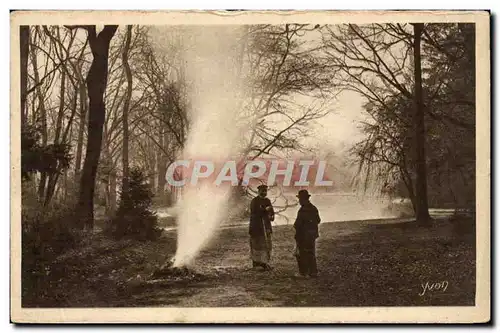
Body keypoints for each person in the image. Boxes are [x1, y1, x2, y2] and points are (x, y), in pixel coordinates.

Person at [294, 189, 321, 278]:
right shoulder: (313, 208)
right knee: (311, 253)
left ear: (302, 199)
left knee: (302, 254)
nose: (299, 201)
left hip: (303, 235)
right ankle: (313, 272)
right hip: (312, 235)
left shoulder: (302, 210)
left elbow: (297, 224)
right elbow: (318, 220)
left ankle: (304, 273)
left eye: (300, 199)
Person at [249, 184, 275, 270]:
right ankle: (256, 263)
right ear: (258, 191)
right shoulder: (254, 201)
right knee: (257, 244)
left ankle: (265, 263)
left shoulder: (267, 200)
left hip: (266, 226)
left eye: (265, 191)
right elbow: (254, 213)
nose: (264, 192)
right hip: (257, 227)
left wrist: (271, 216)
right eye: (262, 191)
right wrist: (264, 210)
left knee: (266, 244)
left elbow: (271, 211)